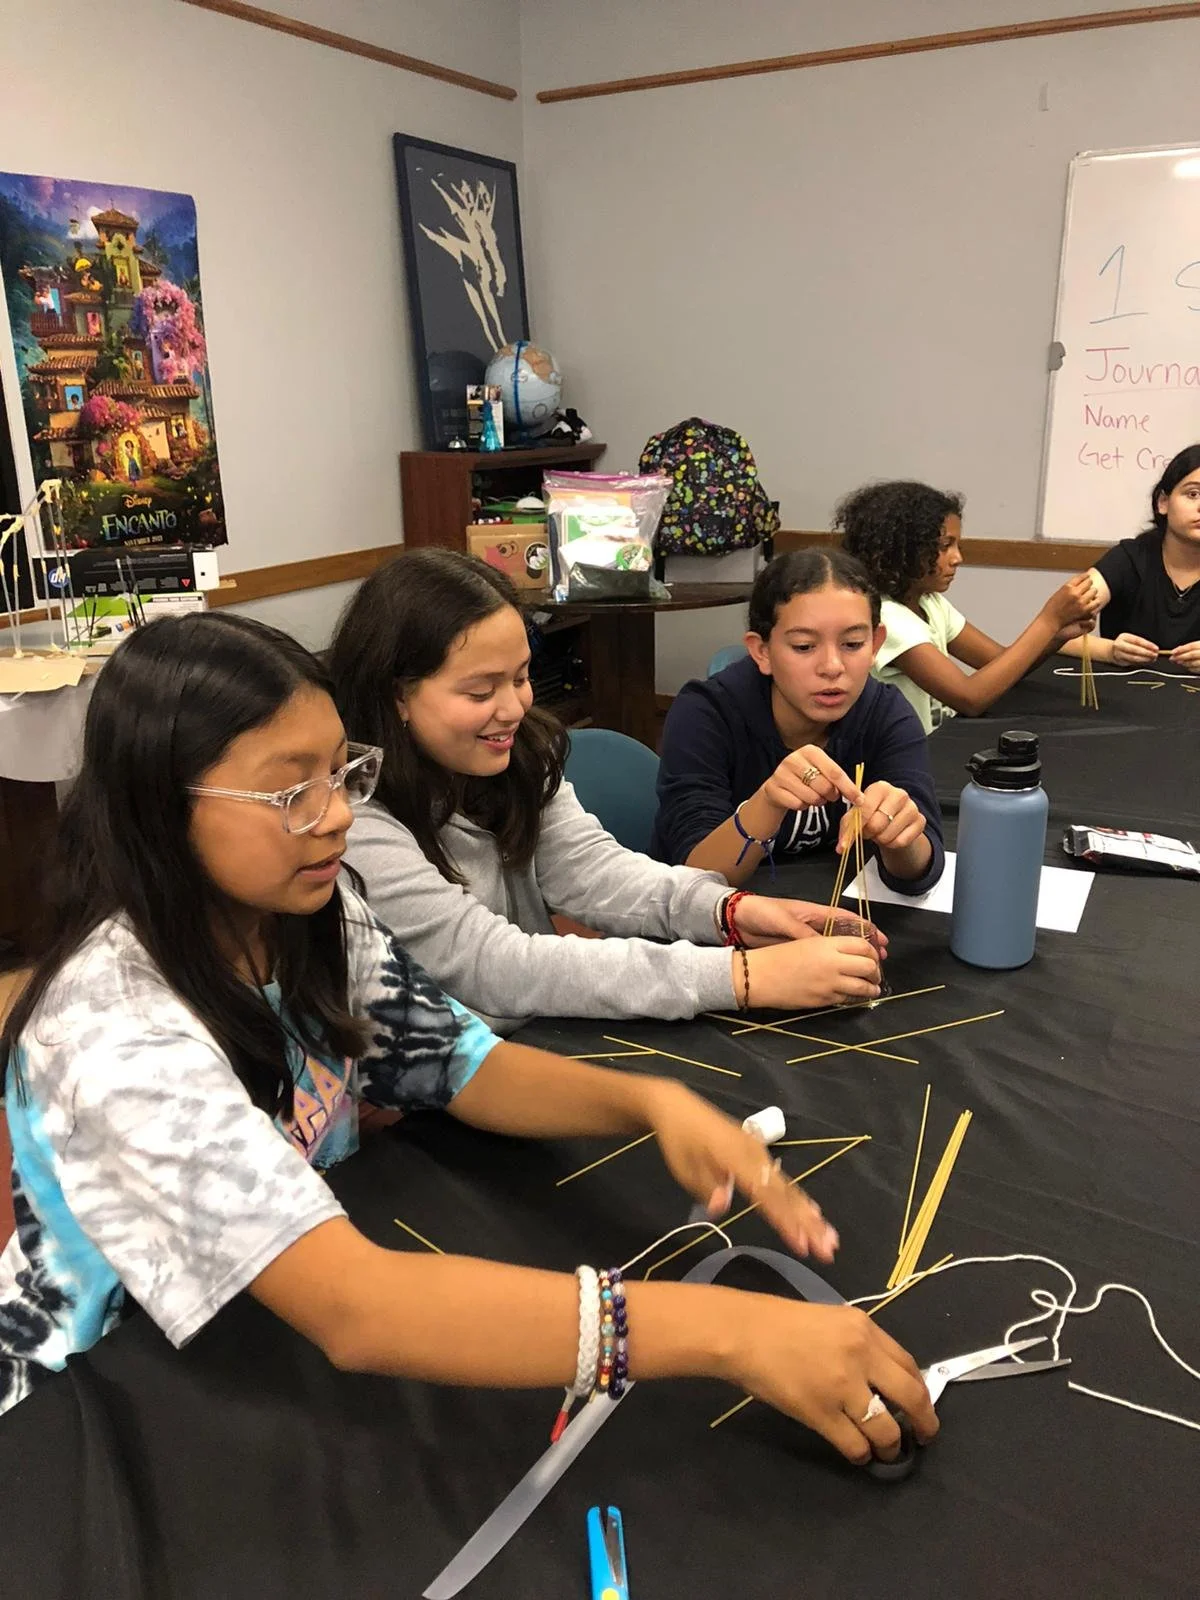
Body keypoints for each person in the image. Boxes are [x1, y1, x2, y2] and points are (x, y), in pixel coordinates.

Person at [0, 613, 936, 1470]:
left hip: (261, 1330)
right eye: (290, 791)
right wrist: (727, 1332)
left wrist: (651, 1102)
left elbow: (458, 1062)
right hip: (104, 1400)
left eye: (340, 773)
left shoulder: (311, 912)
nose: (336, 814)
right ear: (160, 809)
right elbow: (357, 1308)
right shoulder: (112, 1031)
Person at [329, 550, 886, 1034]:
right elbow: (494, 965)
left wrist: (731, 912)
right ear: (397, 696)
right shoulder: (356, 822)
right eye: (480, 692)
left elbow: (594, 872)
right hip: (454, 1083)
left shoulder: (519, 758)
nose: (514, 708)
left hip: (535, 1035)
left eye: (521, 678)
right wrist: (741, 976)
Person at [652, 549, 944, 900]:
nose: (832, 666)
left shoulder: (885, 714)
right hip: (714, 922)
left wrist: (900, 835)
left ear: (875, 644)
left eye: (852, 644)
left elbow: (920, 871)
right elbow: (695, 879)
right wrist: (767, 804)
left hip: (828, 914)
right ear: (762, 652)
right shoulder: (707, 714)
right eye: (804, 646)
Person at [836, 481, 1100, 732]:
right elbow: (969, 698)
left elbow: (999, 662)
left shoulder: (930, 602)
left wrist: (1056, 635)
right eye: (945, 546)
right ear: (900, 550)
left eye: (957, 545)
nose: (957, 558)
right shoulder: (888, 618)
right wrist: (1049, 620)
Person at [1058, 444, 1200, 671]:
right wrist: (1110, 651)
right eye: (1193, 494)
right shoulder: (1129, 559)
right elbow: (1055, 631)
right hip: (1122, 689)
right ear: (1163, 502)